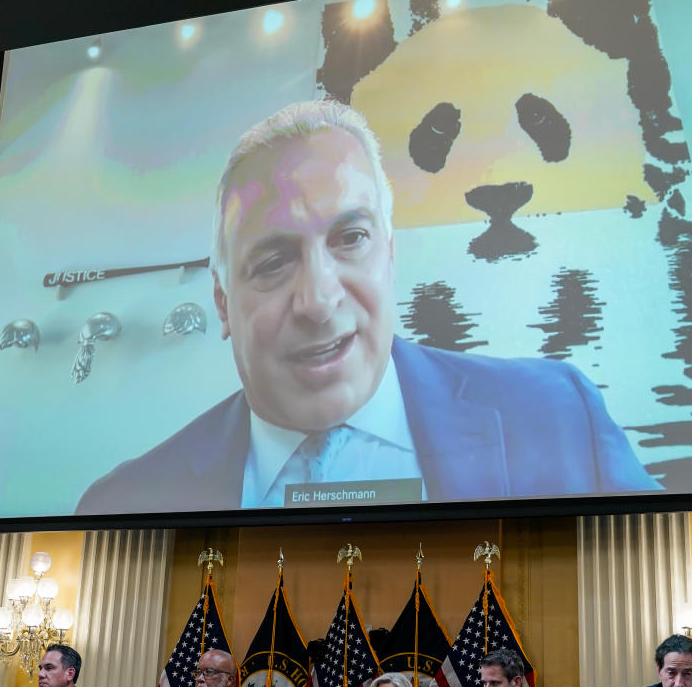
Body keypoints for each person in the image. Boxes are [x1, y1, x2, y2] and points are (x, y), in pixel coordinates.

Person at [77, 100, 657, 515]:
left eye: (350, 238)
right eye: (273, 261)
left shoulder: (559, 416)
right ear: (223, 304)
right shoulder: (125, 501)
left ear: (390, 256)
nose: (319, 300)